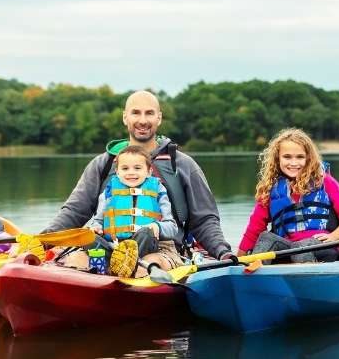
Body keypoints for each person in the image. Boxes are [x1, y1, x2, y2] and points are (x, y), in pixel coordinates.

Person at [42, 90, 232, 272]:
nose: (142, 120)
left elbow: (205, 220)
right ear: (125, 117)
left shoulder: (183, 165)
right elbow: (74, 212)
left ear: (159, 118)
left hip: (162, 249)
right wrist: (43, 240)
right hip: (110, 244)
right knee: (77, 260)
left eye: (149, 113)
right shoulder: (104, 164)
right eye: (136, 113)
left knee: (145, 266)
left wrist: (222, 252)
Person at [237, 128, 339, 262]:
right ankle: (252, 276)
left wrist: (335, 236)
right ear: (278, 159)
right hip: (288, 248)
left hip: (322, 245)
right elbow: (253, 230)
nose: (293, 163)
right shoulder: (270, 190)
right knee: (266, 238)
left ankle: (306, 279)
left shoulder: (325, 181)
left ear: (308, 158)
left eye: (300, 157)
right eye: (287, 157)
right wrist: (237, 260)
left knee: (302, 247)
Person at [88, 145, 178, 277]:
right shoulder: (109, 191)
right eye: (125, 168)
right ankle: (114, 263)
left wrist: (157, 226)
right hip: (113, 246)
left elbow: (172, 227)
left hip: (142, 244)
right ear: (117, 172)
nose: (131, 172)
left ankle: (128, 264)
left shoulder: (158, 189)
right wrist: (95, 228)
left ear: (148, 171)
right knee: (89, 237)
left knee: (146, 232)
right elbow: (98, 221)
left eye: (137, 168)